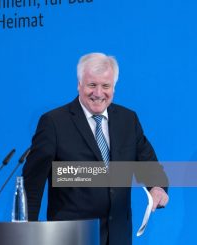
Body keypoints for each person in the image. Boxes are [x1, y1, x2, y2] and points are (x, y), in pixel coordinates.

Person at [22, 52, 169, 245]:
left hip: (118, 237)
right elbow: (32, 185)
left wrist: (157, 187)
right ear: (79, 84)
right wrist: (25, 234)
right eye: (92, 85)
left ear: (114, 88)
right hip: (71, 237)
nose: (98, 93)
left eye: (105, 86)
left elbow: (149, 166)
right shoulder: (54, 123)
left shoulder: (128, 120)